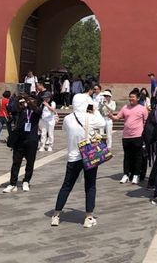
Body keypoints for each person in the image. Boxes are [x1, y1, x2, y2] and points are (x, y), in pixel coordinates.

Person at [50, 91, 105, 228]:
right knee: (90, 186)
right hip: (89, 155)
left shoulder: (68, 118)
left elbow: (65, 129)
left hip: (73, 157)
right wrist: (95, 110)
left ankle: (56, 215)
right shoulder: (90, 117)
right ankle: (89, 217)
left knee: (66, 186)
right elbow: (102, 123)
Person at [3, 95, 43, 193]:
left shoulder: (36, 111)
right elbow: (11, 108)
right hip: (20, 140)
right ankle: (12, 183)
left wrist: (29, 102)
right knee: (16, 162)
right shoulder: (21, 110)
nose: (28, 102)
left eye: (32, 100)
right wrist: (18, 100)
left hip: (32, 140)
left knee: (30, 162)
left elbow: (37, 110)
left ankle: (26, 181)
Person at [109, 89, 148, 184]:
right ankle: (126, 174)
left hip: (138, 136)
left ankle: (136, 175)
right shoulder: (125, 108)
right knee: (127, 156)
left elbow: (146, 122)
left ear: (138, 98)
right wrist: (110, 116)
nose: (131, 99)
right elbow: (117, 118)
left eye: (133, 97)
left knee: (138, 156)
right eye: (130, 97)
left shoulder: (142, 108)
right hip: (126, 136)